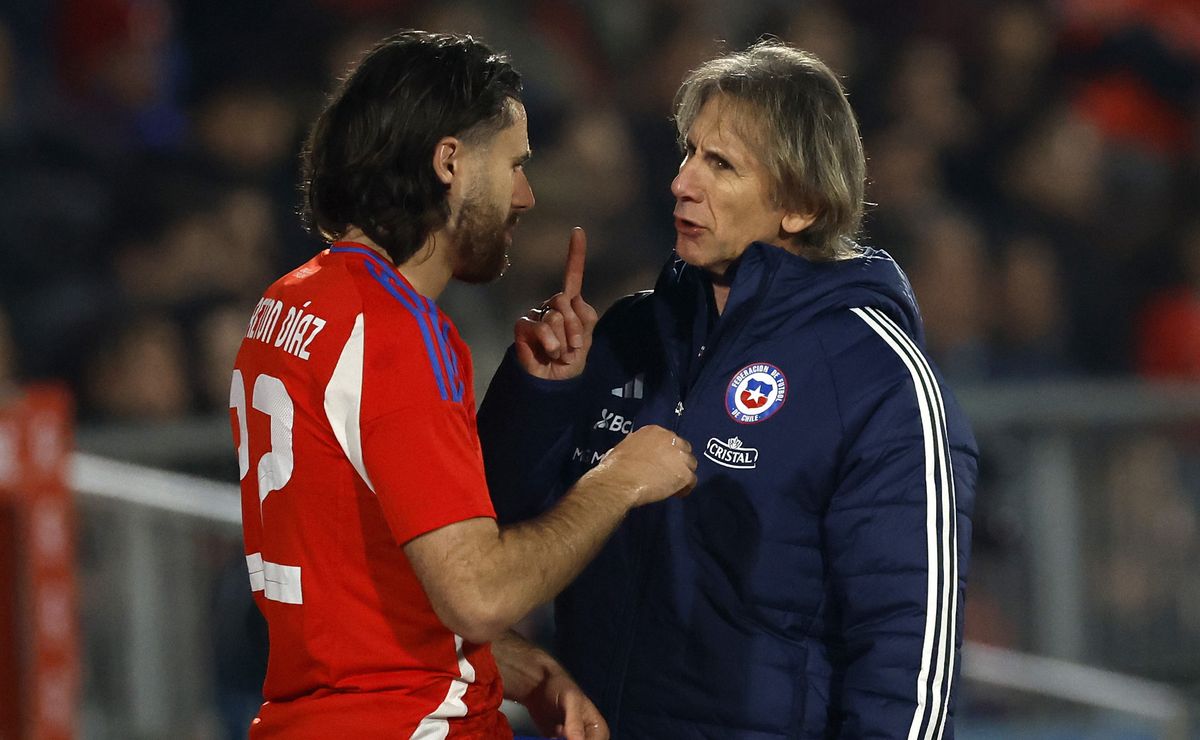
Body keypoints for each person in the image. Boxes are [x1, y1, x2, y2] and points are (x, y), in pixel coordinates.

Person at [479, 40, 979, 738]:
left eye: (722, 165)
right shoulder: (623, 336)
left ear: (800, 204)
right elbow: (490, 534)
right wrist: (541, 395)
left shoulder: (879, 378)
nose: (683, 182)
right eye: (689, 153)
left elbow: (907, 654)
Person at [229, 30, 697, 740]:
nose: (526, 195)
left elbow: (378, 600)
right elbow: (477, 594)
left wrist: (525, 671)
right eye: (513, 164)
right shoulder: (393, 330)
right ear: (450, 161)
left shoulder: (290, 304)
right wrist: (619, 479)